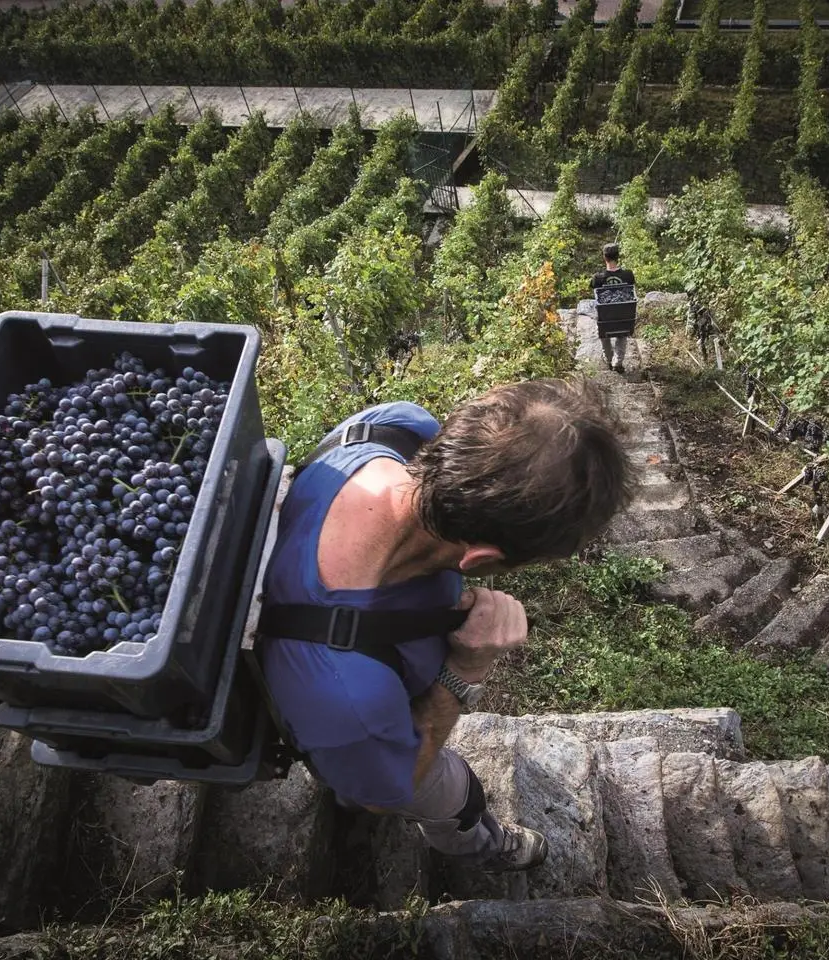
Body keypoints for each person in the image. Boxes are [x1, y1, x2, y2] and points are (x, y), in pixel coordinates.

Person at [257, 378, 635, 873]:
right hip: (357, 731)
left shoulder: (391, 428)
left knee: (362, 760)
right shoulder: (349, 690)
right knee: (452, 794)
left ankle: (353, 767)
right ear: (481, 557)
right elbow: (385, 792)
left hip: (344, 720)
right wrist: (465, 669)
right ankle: (482, 846)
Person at [590, 243, 637, 375]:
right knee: (622, 333)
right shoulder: (628, 275)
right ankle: (618, 361)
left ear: (604, 257)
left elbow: (594, 291)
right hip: (623, 316)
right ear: (618, 257)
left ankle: (609, 359)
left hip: (606, 317)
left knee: (604, 331)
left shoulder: (597, 278)